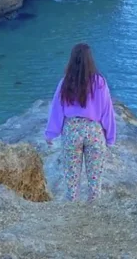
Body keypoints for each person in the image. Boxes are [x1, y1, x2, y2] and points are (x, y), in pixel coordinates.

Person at [44, 43, 116, 202]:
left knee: (71, 181)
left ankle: (72, 213)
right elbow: (107, 111)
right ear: (90, 60)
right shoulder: (100, 82)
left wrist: (50, 133)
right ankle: (93, 214)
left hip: (72, 131)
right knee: (95, 181)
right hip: (93, 131)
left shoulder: (65, 82)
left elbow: (57, 109)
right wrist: (110, 138)